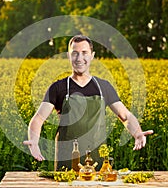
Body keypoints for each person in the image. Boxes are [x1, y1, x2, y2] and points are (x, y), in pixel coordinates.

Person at [23, 35, 153, 171]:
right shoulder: (58, 88)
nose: (79, 58)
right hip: (67, 160)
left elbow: (125, 116)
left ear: (92, 56)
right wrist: (34, 141)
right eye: (75, 53)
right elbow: (38, 118)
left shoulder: (104, 87)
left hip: (98, 160)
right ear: (69, 56)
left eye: (84, 53)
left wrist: (137, 133)